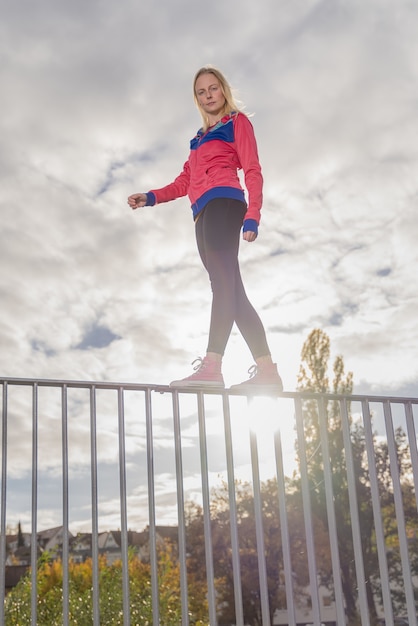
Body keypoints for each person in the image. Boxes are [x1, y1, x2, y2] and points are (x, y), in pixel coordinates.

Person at [128, 65, 283, 392]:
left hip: (225, 204)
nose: (208, 95)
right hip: (201, 214)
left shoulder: (236, 123)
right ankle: (268, 371)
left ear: (223, 90)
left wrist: (253, 213)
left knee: (222, 285)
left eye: (213, 88)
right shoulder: (198, 140)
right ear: (197, 98)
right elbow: (185, 181)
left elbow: (253, 168)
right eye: (201, 91)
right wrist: (151, 197)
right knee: (233, 292)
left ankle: (213, 366)